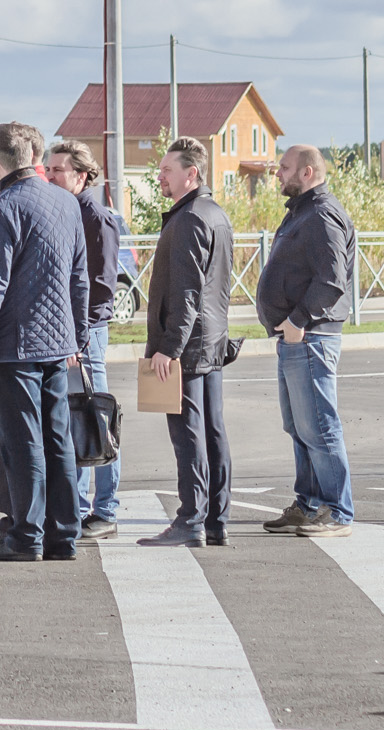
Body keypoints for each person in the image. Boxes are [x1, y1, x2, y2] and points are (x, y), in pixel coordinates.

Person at [0, 122, 86, 562]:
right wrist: (78, 336)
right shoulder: (67, 203)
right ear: (34, 154)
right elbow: (79, 278)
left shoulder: (1, 207)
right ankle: (64, 536)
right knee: (58, 440)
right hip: (57, 343)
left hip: (13, 346)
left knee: (21, 444)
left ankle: (25, 537)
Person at [139, 137, 236, 549]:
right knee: (212, 431)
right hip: (209, 342)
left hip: (186, 346)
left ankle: (190, 520)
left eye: (166, 170)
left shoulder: (189, 219)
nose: (159, 176)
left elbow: (186, 294)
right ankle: (216, 520)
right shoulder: (215, 214)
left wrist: (169, 348)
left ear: (190, 174)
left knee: (190, 435)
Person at [256, 144, 355, 539]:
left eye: (284, 167)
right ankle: (308, 504)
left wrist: (298, 320)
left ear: (308, 173)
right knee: (300, 427)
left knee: (319, 427)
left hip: (311, 337)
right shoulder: (303, 212)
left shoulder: (321, 216)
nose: (277, 173)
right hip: (296, 339)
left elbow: (332, 280)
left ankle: (337, 511)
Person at [43, 140, 121, 539]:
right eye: (49, 169)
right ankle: (76, 504)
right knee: (74, 418)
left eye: (58, 169)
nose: (50, 175)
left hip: (86, 334)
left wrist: (79, 335)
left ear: (82, 175)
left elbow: (103, 287)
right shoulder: (65, 211)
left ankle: (105, 510)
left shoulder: (96, 217)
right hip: (68, 333)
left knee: (96, 418)